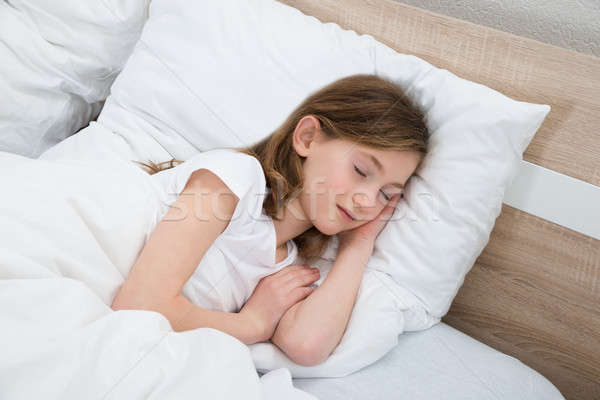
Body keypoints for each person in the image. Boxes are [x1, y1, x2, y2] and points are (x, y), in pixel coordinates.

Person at [111, 74, 429, 366]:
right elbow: (138, 306)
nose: (367, 201)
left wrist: (358, 245)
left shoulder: (291, 265)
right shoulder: (236, 178)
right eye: (360, 170)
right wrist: (251, 325)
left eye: (387, 195)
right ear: (307, 138)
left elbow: (306, 345)